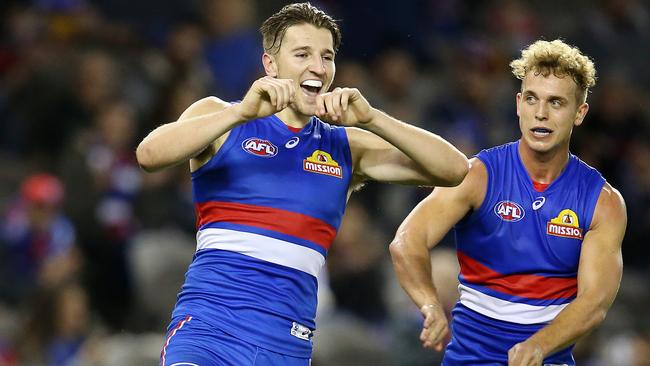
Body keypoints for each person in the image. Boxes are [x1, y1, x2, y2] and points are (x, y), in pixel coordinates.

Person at [135, 3, 469, 365]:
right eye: (303, 54)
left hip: (287, 346)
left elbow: (453, 169)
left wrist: (373, 119)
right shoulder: (221, 116)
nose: (318, 67)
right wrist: (240, 112)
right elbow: (149, 156)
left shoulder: (345, 146)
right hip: (209, 331)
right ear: (270, 65)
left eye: (327, 56)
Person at [389, 39, 627, 366]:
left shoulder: (603, 202)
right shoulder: (479, 175)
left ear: (579, 113)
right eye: (532, 99)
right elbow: (407, 241)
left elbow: (595, 302)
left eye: (556, 103)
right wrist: (430, 305)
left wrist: (539, 345)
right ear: (518, 104)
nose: (540, 114)